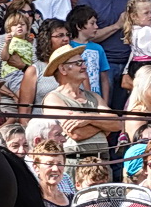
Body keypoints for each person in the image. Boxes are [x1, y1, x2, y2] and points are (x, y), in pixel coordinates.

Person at [42, 43, 119, 171]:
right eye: (78, 63)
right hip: (76, 166)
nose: (84, 66)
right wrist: (103, 126)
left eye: (83, 62)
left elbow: (117, 124)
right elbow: (77, 133)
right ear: (63, 69)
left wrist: (88, 118)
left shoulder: (93, 96)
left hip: (103, 165)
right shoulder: (54, 99)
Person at [78, 0, 131, 105]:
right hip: (102, 65)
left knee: (124, 113)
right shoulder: (87, 0)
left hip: (128, 63)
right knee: (103, 109)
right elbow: (85, 36)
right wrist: (116, 26)